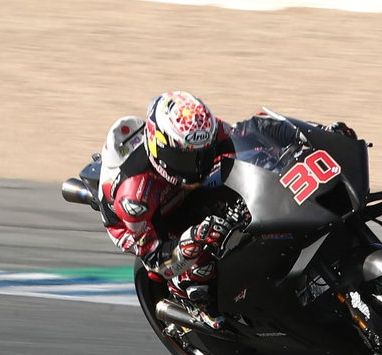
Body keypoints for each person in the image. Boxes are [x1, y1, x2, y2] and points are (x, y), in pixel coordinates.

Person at [95, 91, 356, 332]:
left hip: (183, 190)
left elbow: (250, 135)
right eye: (185, 158)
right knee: (200, 257)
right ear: (159, 148)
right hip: (149, 222)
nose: (197, 165)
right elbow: (155, 261)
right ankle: (198, 301)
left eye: (203, 153)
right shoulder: (134, 195)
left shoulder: (206, 133)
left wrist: (316, 134)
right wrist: (193, 238)